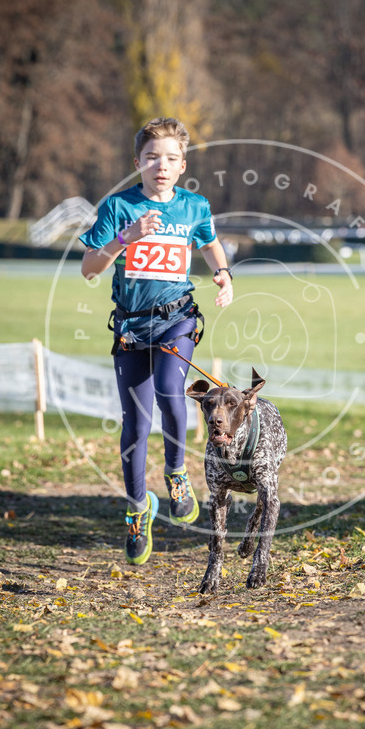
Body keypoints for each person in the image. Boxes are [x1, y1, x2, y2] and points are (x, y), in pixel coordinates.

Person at [80, 117, 233, 566]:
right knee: (134, 423)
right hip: (131, 327)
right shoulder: (118, 207)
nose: (160, 166)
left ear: (182, 165)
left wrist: (223, 275)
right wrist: (126, 239)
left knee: (171, 390)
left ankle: (176, 474)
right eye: (151, 158)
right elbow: (90, 268)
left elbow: (209, 244)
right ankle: (136, 509)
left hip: (176, 320)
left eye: (169, 159)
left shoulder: (194, 206)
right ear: (137, 163)